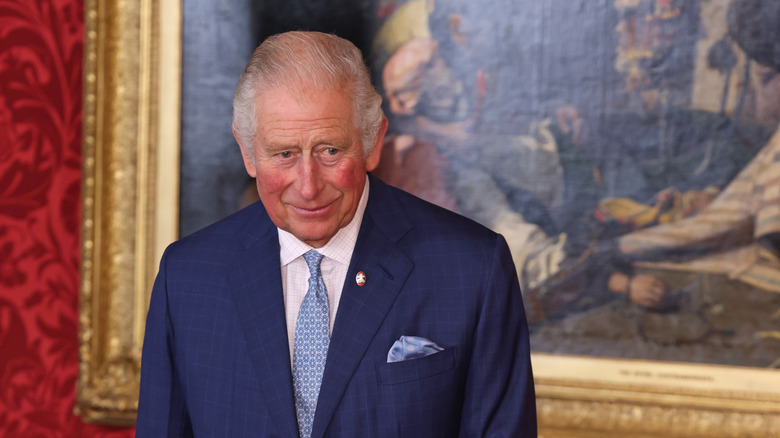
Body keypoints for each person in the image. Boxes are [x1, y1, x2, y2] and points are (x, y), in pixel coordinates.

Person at [135, 31, 536, 437]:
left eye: (329, 150)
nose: (308, 186)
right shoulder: (186, 278)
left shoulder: (473, 269)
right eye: (284, 153)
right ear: (247, 152)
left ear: (373, 142)